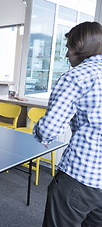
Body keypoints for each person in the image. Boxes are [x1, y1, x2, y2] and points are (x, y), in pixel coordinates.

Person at [33, 21, 102, 227]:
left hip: (80, 176)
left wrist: (40, 132)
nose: (66, 54)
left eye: (68, 47)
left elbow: (49, 129)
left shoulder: (76, 76)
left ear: (79, 46)